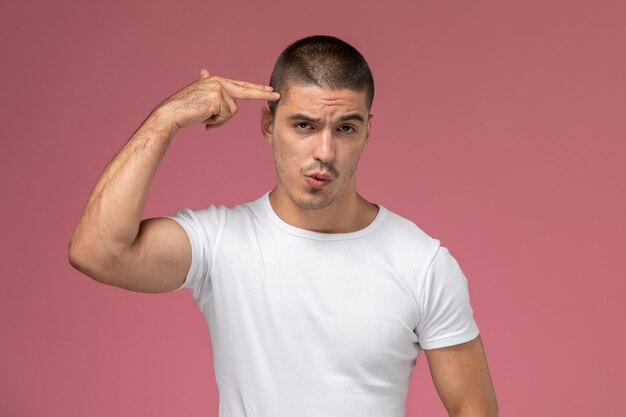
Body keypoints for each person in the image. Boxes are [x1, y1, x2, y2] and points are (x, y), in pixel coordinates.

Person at [69, 35, 498, 417]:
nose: (325, 152)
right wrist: (168, 116)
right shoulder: (221, 243)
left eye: (345, 128)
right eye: (304, 126)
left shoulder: (422, 263)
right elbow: (98, 252)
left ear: (367, 133)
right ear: (268, 125)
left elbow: (471, 406)